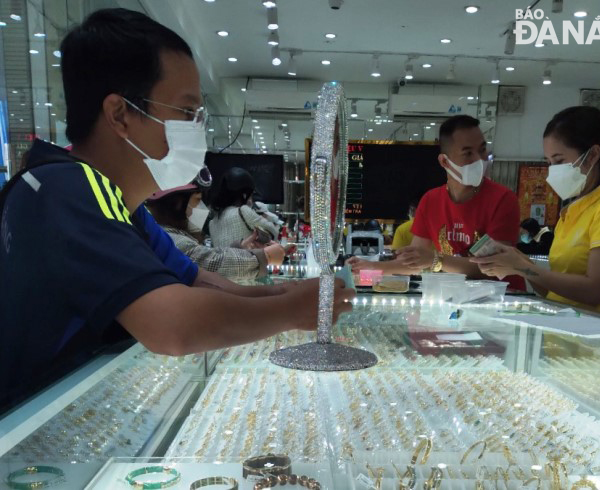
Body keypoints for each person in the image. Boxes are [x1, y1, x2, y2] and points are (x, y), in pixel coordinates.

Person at [0, 8, 353, 410]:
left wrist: (282, 295)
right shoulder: (67, 190)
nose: (197, 128)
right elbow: (172, 326)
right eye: (187, 113)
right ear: (120, 115)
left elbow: (194, 281)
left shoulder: (115, 201)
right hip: (28, 428)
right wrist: (290, 310)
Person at [471, 106, 600, 316]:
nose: (553, 170)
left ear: (592, 155)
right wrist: (520, 261)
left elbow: (594, 291)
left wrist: (522, 268)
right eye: (549, 162)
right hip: (559, 330)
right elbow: (553, 292)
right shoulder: (571, 212)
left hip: (588, 335)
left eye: (559, 161)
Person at [348, 115, 524, 290]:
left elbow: (496, 267)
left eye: (482, 150)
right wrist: (371, 268)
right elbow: (414, 262)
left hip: (505, 298)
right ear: (444, 161)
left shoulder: (503, 199)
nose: (479, 159)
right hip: (458, 296)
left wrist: (436, 260)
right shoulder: (431, 201)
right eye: (468, 153)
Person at [145, 173, 287, 282]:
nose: (201, 207)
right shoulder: (169, 239)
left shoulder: (212, 221)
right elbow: (211, 262)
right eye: (197, 200)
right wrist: (264, 256)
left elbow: (209, 253)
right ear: (176, 203)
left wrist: (241, 248)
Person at [207, 167, 280, 248]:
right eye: (250, 195)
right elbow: (272, 231)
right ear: (244, 194)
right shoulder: (243, 211)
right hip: (245, 259)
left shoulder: (212, 223)